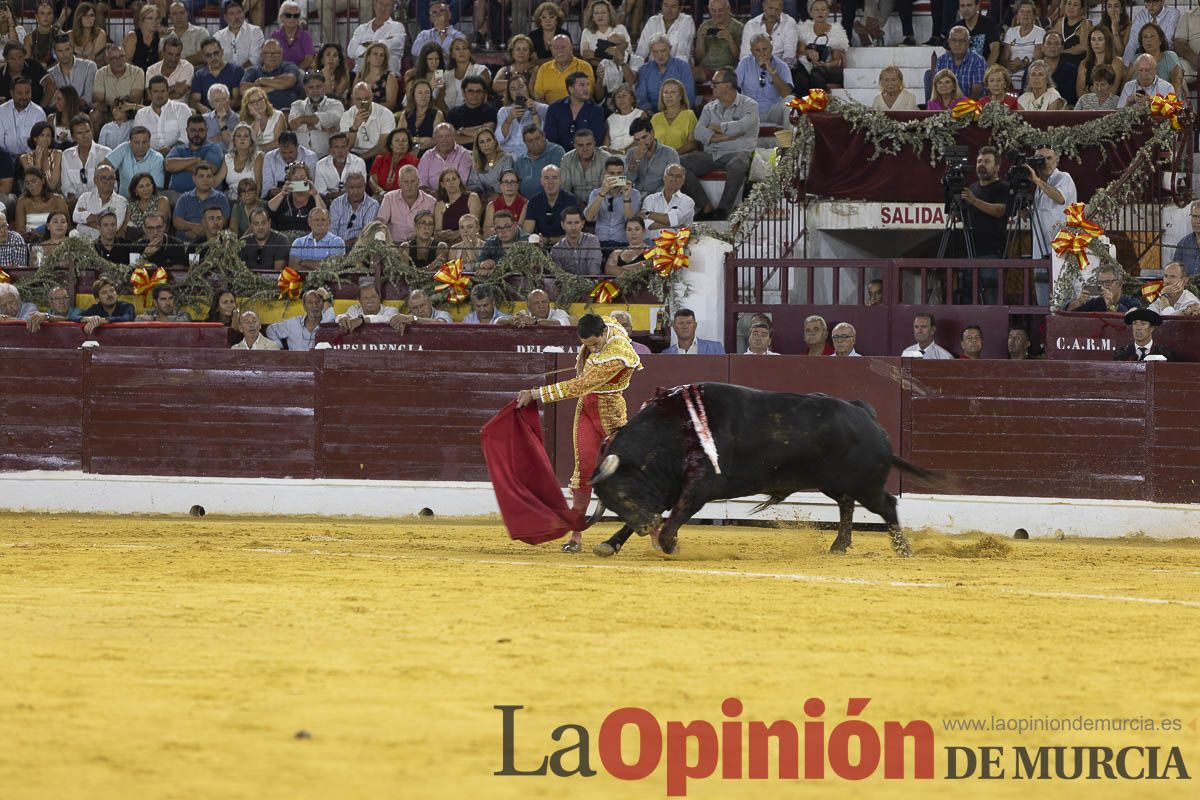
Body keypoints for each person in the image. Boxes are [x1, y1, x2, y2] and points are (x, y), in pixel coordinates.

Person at [515, 312, 643, 553]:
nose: (592, 349)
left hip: (611, 414)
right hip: (586, 409)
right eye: (587, 345)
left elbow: (580, 385)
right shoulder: (605, 326)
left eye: (595, 344)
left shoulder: (618, 355)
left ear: (604, 333)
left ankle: (655, 529)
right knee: (583, 470)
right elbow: (608, 318)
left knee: (626, 470)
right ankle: (576, 536)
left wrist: (536, 394)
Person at [683, 70, 757, 221]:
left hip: (739, 152)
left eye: (715, 83)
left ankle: (723, 210)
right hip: (713, 154)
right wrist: (725, 136)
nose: (711, 86)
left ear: (728, 85)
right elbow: (698, 133)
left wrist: (715, 127)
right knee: (679, 163)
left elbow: (741, 127)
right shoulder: (709, 108)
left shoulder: (750, 105)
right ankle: (705, 206)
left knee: (738, 163)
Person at [960, 145, 1010, 261]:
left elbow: (1000, 211)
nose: (982, 164)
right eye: (979, 161)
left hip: (993, 253)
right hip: (970, 253)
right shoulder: (972, 188)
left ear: (997, 167)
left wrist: (974, 201)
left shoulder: (1003, 187)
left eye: (987, 161)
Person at [1029, 145, 1075, 262]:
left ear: (1056, 160)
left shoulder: (1064, 177)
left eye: (1049, 158)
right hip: (1040, 251)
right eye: (1041, 159)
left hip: (1060, 252)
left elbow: (1060, 198)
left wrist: (1036, 180)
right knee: (1040, 280)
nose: (1046, 163)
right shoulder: (1039, 186)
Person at [586, 156, 640, 250]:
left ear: (624, 174)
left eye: (619, 173)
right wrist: (603, 193)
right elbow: (589, 217)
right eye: (612, 173)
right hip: (600, 243)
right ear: (605, 174)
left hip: (623, 243)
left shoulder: (634, 194)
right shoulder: (596, 193)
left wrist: (626, 198)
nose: (616, 177)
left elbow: (630, 222)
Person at [545, 72, 606, 153]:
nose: (586, 88)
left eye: (587, 85)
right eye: (581, 85)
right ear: (571, 89)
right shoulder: (555, 108)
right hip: (559, 155)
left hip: (586, 155)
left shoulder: (596, 111)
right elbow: (550, 138)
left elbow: (596, 140)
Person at [290, 72, 344, 161]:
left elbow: (333, 119)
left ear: (324, 86)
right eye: (311, 87)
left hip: (328, 157)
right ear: (305, 88)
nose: (315, 90)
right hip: (301, 158)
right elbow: (293, 124)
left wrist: (302, 119)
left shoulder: (335, 104)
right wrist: (322, 127)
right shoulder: (297, 105)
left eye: (319, 86)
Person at [635, 35, 695, 113]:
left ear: (670, 49)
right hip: (652, 114)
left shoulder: (683, 67)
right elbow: (641, 98)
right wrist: (650, 112)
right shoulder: (644, 70)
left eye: (663, 50)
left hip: (679, 113)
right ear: (651, 52)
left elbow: (689, 96)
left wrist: (674, 113)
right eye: (655, 51)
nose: (660, 55)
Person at [166, 114, 223, 194]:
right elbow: (169, 165)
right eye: (193, 130)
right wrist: (196, 160)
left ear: (206, 130)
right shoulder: (178, 148)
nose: (197, 134)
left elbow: (208, 169)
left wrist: (179, 165)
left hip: (204, 195)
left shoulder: (213, 148)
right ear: (187, 130)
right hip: (175, 194)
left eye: (201, 130)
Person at [135, 76, 192, 155]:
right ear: (150, 93)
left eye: (163, 91)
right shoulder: (141, 114)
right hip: (149, 157)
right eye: (155, 91)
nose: (159, 95)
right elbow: (136, 138)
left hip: (178, 154)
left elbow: (186, 136)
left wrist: (170, 149)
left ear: (168, 91)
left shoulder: (181, 108)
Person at [378, 164, 437, 242]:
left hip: (419, 246)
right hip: (393, 245)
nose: (409, 185)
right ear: (399, 183)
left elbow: (432, 228)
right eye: (406, 182)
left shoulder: (430, 202)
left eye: (413, 181)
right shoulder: (389, 198)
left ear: (418, 182)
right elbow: (381, 221)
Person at [340, 81, 395, 162]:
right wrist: (354, 127)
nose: (363, 103)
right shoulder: (347, 115)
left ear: (372, 97)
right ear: (353, 99)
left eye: (366, 99)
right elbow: (347, 146)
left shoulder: (385, 114)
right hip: (353, 154)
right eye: (359, 99)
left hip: (376, 156)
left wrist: (360, 159)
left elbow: (383, 146)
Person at [173, 163, 230, 242]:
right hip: (185, 242)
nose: (205, 180)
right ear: (194, 178)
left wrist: (204, 232)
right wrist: (193, 227)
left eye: (209, 176)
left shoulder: (220, 198)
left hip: (211, 243)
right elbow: (177, 221)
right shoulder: (184, 198)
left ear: (212, 178)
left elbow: (223, 221)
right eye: (201, 176)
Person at [348, 0, 408, 74]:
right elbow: (351, 51)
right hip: (359, 74)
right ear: (375, 4)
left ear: (392, 8)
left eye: (387, 5)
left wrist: (365, 46)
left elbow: (394, 44)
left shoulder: (398, 27)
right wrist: (381, 43)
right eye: (381, 3)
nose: (383, 8)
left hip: (386, 76)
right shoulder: (361, 29)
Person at [532, 35, 594, 105]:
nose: (559, 51)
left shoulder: (584, 67)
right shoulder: (544, 68)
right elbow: (539, 97)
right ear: (551, 50)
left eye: (563, 47)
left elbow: (587, 95)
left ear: (571, 48)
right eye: (556, 48)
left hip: (577, 110)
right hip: (549, 111)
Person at [496, 75, 547, 160]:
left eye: (521, 87)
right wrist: (509, 119)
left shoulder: (543, 108)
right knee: (490, 164)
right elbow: (499, 139)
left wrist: (534, 112)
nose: (518, 92)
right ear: (509, 93)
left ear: (527, 88)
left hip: (531, 155)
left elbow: (543, 136)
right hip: (506, 155)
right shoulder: (504, 111)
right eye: (513, 89)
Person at [625, 116, 678, 197]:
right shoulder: (631, 153)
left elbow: (672, 183)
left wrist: (651, 197)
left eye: (644, 137)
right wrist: (636, 160)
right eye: (637, 140)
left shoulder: (669, 153)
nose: (641, 142)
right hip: (634, 196)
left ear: (652, 133)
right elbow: (626, 180)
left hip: (658, 197)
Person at [267, 162, 324, 239]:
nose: (299, 181)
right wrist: (282, 194)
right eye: (295, 179)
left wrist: (315, 194)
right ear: (289, 181)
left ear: (309, 180)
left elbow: (323, 216)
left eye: (302, 178)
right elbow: (268, 211)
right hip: (284, 241)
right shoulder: (283, 199)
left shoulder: (316, 198)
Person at [266, 287, 334, 350]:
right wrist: (280, 349)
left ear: (322, 305)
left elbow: (330, 312)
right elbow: (270, 330)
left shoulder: (327, 322)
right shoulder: (293, 323)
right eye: (310, 302)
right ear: (304, 306)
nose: (314, 305)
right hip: (294, 362)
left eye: (317, 302)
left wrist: (325, 295)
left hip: (318, 362)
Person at [71, 163, 126, 239]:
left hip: (105, 244)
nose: (107, 181)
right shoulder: (85, 197)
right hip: (82, 241)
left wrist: (88, 218)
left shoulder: (121, 201)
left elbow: (115, 227)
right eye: (103, 178)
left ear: (115, 181)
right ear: (95, 180)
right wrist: (105, 222)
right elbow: (75, 217)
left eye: (111, 178)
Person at [523, 164, 576, 242]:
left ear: (561, 180)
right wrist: (537, 239)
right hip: (540, 245)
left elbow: (574, 232)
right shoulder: (534, 201)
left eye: (554, 178)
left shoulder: (570, 200)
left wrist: (551, 240)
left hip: (565, 245)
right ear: (541, 181)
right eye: (546, 178)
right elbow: (527, 232)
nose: (550, 182)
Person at [640, 162, 693, 239]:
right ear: (664, 177)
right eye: (670, 175)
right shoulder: (650, 199)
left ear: (682, 181)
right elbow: (648, 225)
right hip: (652, 245)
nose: (673, 179)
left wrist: (647, 214)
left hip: (676, 246)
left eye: (678, 176)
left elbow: (674, 220)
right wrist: (675, 225)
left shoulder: (688, 201)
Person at [694, 0, 744, 80]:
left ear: (728, 9)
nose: (717, 14)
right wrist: (700, 40)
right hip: (705, 68)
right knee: (687, 73)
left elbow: (739, 57)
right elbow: (699, 58)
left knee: (724, 78)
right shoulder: (704, 26)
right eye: (713, 11)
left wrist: (730, 40)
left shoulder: (738, 27)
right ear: (709, 10)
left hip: (728, 70)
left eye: (720, 10)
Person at [44, 35, 97, 109]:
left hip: (82, 110)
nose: (64, 54)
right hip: (59, 112)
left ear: (73, 49)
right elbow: (52, 103)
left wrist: (66, 102)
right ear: (55, 52)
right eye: (60, 51)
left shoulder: (89, 66)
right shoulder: (50, 74)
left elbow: (88, 99)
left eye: (67, 49)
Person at [512, 124, 564, 200]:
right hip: (526, 203)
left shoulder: (557, 152)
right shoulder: (520, 160)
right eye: (530, 141)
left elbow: (561, 182)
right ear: (524, 142)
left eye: (537, 138)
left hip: (552, 201)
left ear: (544, 136)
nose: (535, 143)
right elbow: (515, 185)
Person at [261, 131, 317, 199]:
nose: (287, 156)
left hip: (304, 198)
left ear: (297, 146)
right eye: (283, 152)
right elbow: (267, 188)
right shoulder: (269, 157)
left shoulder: (310, 157)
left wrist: (284, 190)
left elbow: (310, 185)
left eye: (291, 152)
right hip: (277, 199)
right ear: (279, 147)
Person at [190, 38, 242, 112]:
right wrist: (201, 107)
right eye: (208, 55)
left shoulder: (236, 70)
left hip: (230, 113)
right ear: (203, 57)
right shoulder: (199, 75)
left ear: (222, 52)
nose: (213, 58)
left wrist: (218, 111)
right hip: (207, 116)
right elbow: (194, 101)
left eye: (216, 53)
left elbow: (236, 100)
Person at [1135, 22, 1185, 100]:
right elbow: (1126, 84)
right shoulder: (1136, 58)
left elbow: (1177, 80)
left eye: (1152, 36)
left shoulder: (1169, 56)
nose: (1148, 40)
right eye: (1145, 37)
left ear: (1161, 39)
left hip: (1165, 105)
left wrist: (1167, 104)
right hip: (1136, 105)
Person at [432, 167, 482, 244]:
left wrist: (456, 234)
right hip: (447, 242)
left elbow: (475, 226)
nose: (451, 183)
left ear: (459, 180)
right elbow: (436, 232)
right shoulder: (440, 204)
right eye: (447, 180)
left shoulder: (472, 197)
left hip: (469, 241)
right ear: (442, 184)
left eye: (454, 179)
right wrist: (442, 234)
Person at [743, 0, 800, 67]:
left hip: (780, 67)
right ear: (763, 6)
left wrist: (779, 70)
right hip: (754, 67)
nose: (773, 13)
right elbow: (745, 54)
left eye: (777, 9)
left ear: (782, 9)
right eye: (770, 8)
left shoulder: (789, 23)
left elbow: (789, 53)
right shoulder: (750, 25)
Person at [934, 26, 986, 99]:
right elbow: (938, 88)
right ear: (949, 42)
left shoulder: (978, 61)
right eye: (954, 40)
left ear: (968, 42)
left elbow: (976, 92)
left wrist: (962, 107)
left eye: (962, 41)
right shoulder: (941, 60)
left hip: (971, 105)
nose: (957, 44)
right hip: (946, 105)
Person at [0, 77, 46, 160]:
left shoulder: (39, 113)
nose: (24, 97)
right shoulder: (1, 111)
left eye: (27, 93)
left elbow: (40, 142)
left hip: (31, 159)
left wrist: (24, 158)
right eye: (20, 93)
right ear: (12, 93)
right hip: (5, 160)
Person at [1123, 0, 1179, 67]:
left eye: (1155, 1)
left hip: (1163, 53)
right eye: (1148, 2)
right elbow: (1133, 43)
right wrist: (1126, 64)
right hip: (1143, 52)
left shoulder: (1173, 14)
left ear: (1162, 1)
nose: (1151, 5)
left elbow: (1167, 42)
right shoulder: (1141, 15)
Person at [417, 122, 471, 192]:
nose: (444, 140)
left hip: (457, 196)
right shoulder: (427, 156)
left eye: (448, 136)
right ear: (435, 139)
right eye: (440, 136)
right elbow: (422, 184)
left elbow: (462, 182)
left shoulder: (464, 154)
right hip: (431, 197)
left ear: (454, 137)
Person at [1062, 264, 1141, 312]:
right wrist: (1078, 302)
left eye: (1108, 283)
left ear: (1120, 285)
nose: (1103, 287)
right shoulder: (1097, 302)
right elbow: (1066, 311)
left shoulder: (1132, 302)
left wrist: (1111, 305)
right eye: (1100, 283)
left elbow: (1132, 319)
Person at [1003, 0, 1045, 89]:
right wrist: (1011, 65)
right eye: (1022, 12)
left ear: (1034, 16)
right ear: (1017, 15)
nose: (1025, 14)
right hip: (1011, 72)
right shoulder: (1011, 32)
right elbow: (1004, 59)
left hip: (1030, 73)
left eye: (1029, 12)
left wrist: (1022, 64)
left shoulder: (1040, 32)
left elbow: (1038, 60)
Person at [329, 171, 378, 246]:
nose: (355, 192)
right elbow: (332, 230)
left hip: (360, 248)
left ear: (364, 186)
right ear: (345, 187)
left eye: (359, 187)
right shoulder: (336, 203)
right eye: (351, 188)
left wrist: (348, 244)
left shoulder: (372, 205)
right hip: (336, 248)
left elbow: (367, 233)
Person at [214, 0, 264, 71]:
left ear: (244, 13)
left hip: (249, 74)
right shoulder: (218, 36)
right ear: (225, 17)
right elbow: (216, 59)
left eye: (239, 12)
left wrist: (237, 73)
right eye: (231, 14)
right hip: (225, 75)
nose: (236, 17)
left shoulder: (255, 31)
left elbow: (255, 58)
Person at [551, 207, 603, 275]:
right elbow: (559, 277)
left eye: (577, 222)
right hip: (567, 285)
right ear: (563, 225)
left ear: (583, 224)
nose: (573, 227)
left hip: (591, 284)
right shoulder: (556, 249)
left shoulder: (592, 241)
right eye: (569, 223)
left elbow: (594, 272)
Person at [315, 132, 367, 200]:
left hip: (353, 200)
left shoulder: (358, 162)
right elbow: (321, 193)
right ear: (330, 150)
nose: (340, 151)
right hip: (329, 202)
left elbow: (360, 188)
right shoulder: (320, 165)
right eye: (336, 147)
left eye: (343, 146)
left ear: (348, 148)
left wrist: (335, 194)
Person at [475, 209, 528, 274]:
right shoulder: (491, 242)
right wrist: (481, 264)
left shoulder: (527, 240)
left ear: (515, 225)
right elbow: (476, 264)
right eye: (499, 228)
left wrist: (494, 271)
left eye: (507, 227)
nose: (503, 231)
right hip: (495, 282)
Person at [1076, 25, 1123, 100]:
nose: (1096, 43)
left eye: (1100, 39)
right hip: (1087, 105)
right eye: (1093, 39)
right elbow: (1080, 93)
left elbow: (1113, 90)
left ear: (1107, 41)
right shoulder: (1084, 64)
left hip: (1110, 103)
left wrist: (1089, 89)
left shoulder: (1117, 61)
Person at [559, 128, 604, 203]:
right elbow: (565, 190)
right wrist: (578, 205)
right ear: (575, 146)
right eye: (580, 145)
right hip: (574, 205)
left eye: (588, 144)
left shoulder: (605, 158)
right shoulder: (566, 159)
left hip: (600, 204)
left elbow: (607, 190)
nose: (585, 149)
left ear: (594, 144)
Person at [147, 35, 194, 104]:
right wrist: (173, 88)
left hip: (180, 108)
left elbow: (180, 93)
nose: (173, 59)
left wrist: (158, 93)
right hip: (157, 109)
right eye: (170, 54)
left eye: (177, 55)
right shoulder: (152, 70)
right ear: (163, 52)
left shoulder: (187, 67)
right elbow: (149, 97)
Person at [500, 287, 572, 327]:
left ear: (549, 303)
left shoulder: (558, 313)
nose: (541, 306)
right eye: (536, 303)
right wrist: (511, 321)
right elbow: (498, 321)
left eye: (544, 302)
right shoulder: (524, 314)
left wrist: (535, 322)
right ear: (529, 306)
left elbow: (566, 323)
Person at [1170, 199, 1200, 275]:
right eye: (1194, 216)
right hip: (1187, 286)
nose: (1197, 221)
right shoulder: (1183, 243)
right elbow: (1175, 271)